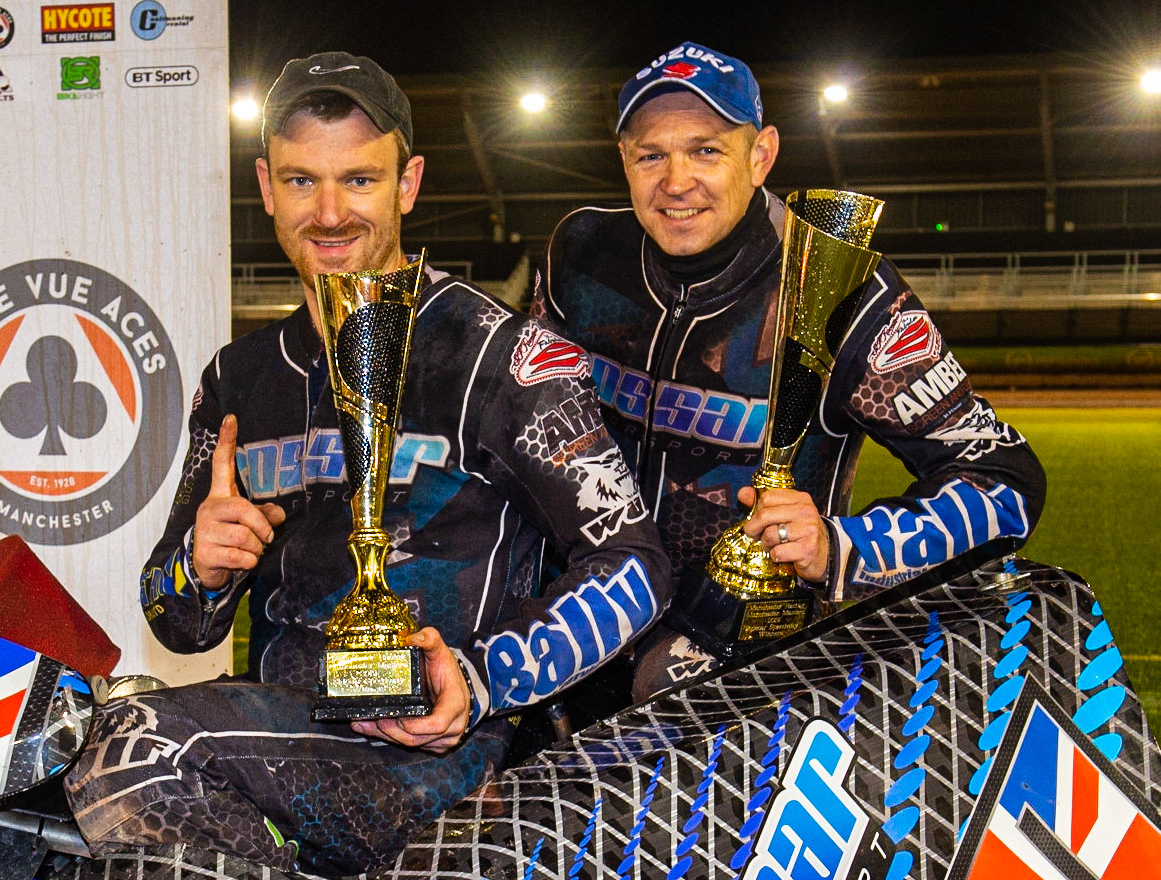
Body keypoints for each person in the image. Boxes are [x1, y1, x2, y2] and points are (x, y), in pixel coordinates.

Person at [62, 52, 670, 876]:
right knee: (84, 741)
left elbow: (633, 567)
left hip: (442, 754)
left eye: (358, 179)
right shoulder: (239, 376)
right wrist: (198, 570)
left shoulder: (504, 356)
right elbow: (177, 621)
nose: (330, 212)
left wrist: (478, 678)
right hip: (284, 725)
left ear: (407, 184)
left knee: (139, 749)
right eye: (302, 180)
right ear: (266, 187)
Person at [532, 41, 1046, 700]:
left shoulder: (843, 287)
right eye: (650, 154)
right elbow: (531, 431)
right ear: (624, 162)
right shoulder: (579, 253)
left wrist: (842, 548)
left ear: (761, 154)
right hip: (584, 632)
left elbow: (1001, 481)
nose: (675, 181)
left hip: (746, 663)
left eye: (706, 149)